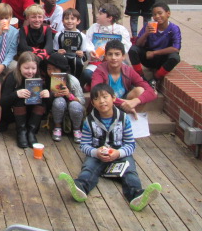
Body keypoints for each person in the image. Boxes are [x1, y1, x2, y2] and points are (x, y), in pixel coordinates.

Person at [58, 83, 162, 212]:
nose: (101, 101)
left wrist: (118, 153)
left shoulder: (124, 119)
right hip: (97, 154)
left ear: (113, 98)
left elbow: (130, 144)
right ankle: (80, 187)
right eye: (96, 99)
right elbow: (84, 145)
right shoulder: (89, 121)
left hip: (119, 153)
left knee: (130, 171)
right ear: (93, 103)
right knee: (88, 168)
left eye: (105, 97)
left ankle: (137, 195)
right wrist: (96, 152)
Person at [91, 40, 156, 116]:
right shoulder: (100, 71)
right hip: (105, 105)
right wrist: (122, 103)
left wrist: (135, 101)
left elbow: (151, 92)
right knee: (101, 97)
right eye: (110, 54)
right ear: (105, 56)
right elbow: (96, 93)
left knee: (140, 90)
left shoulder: (128, 70)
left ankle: (133, 118)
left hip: (126, 105)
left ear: (123, 56)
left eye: (117, 54)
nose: (113, 58)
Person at [0, 52, 49, 148]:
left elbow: (48, 104)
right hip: (14, 114)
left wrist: (47, 94)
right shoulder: (12, 77)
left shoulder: (39, 77)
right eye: (26, 68)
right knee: (20, 98)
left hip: (32, 115)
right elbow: (2, 102)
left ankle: (31, 131)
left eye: (33, 68)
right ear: (19, 67)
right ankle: (21, 132)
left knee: (42, 99)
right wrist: (16, 94)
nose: (30, 71)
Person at [128, 2, 181, 87]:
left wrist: (154, 53)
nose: (157, 16)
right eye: (154, 14)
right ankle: (140, 77)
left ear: (168, 13)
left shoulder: (174, 28)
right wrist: (146, 34)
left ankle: (155, 79)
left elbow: (176, 48)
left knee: (175, 57)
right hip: (149, 58)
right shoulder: (149, 26)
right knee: (133, 49)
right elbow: (138, 44)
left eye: (160, 13)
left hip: (163, 59)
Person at [84, 3, 133, 85]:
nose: (97, 15)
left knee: (126, 73)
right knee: (87, 74)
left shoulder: (121, 30)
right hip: (97, 61)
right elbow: (87, 42)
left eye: (100, 14)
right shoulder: (93, 27)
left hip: (115, 61)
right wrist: (90, 51)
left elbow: (125, 46)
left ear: (110, 18)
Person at [46, 53, 85, 143]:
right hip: (56, 109)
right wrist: (53, 95)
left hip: (73, 107)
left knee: (74, 105)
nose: (51, 72)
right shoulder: (47, 80)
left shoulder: (72, 80)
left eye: (55, 69)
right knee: (59, 101)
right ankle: (57, 127)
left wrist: (69, 95)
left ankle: (77, 129)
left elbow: (82, 101)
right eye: (49, 69)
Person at [54, 8, 94, 85]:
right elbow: (54, 51)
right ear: (62, 21)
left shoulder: (82, 36)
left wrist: (81, 54)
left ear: (78, 21)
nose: (69, 21)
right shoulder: (58, 35)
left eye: (72, 19)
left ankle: (76, 84)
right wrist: (58, 52)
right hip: (62, 57)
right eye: (66, 18)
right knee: (60, 61)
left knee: (77, 62)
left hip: (76, 59)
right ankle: (58, 85)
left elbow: (85, 56)